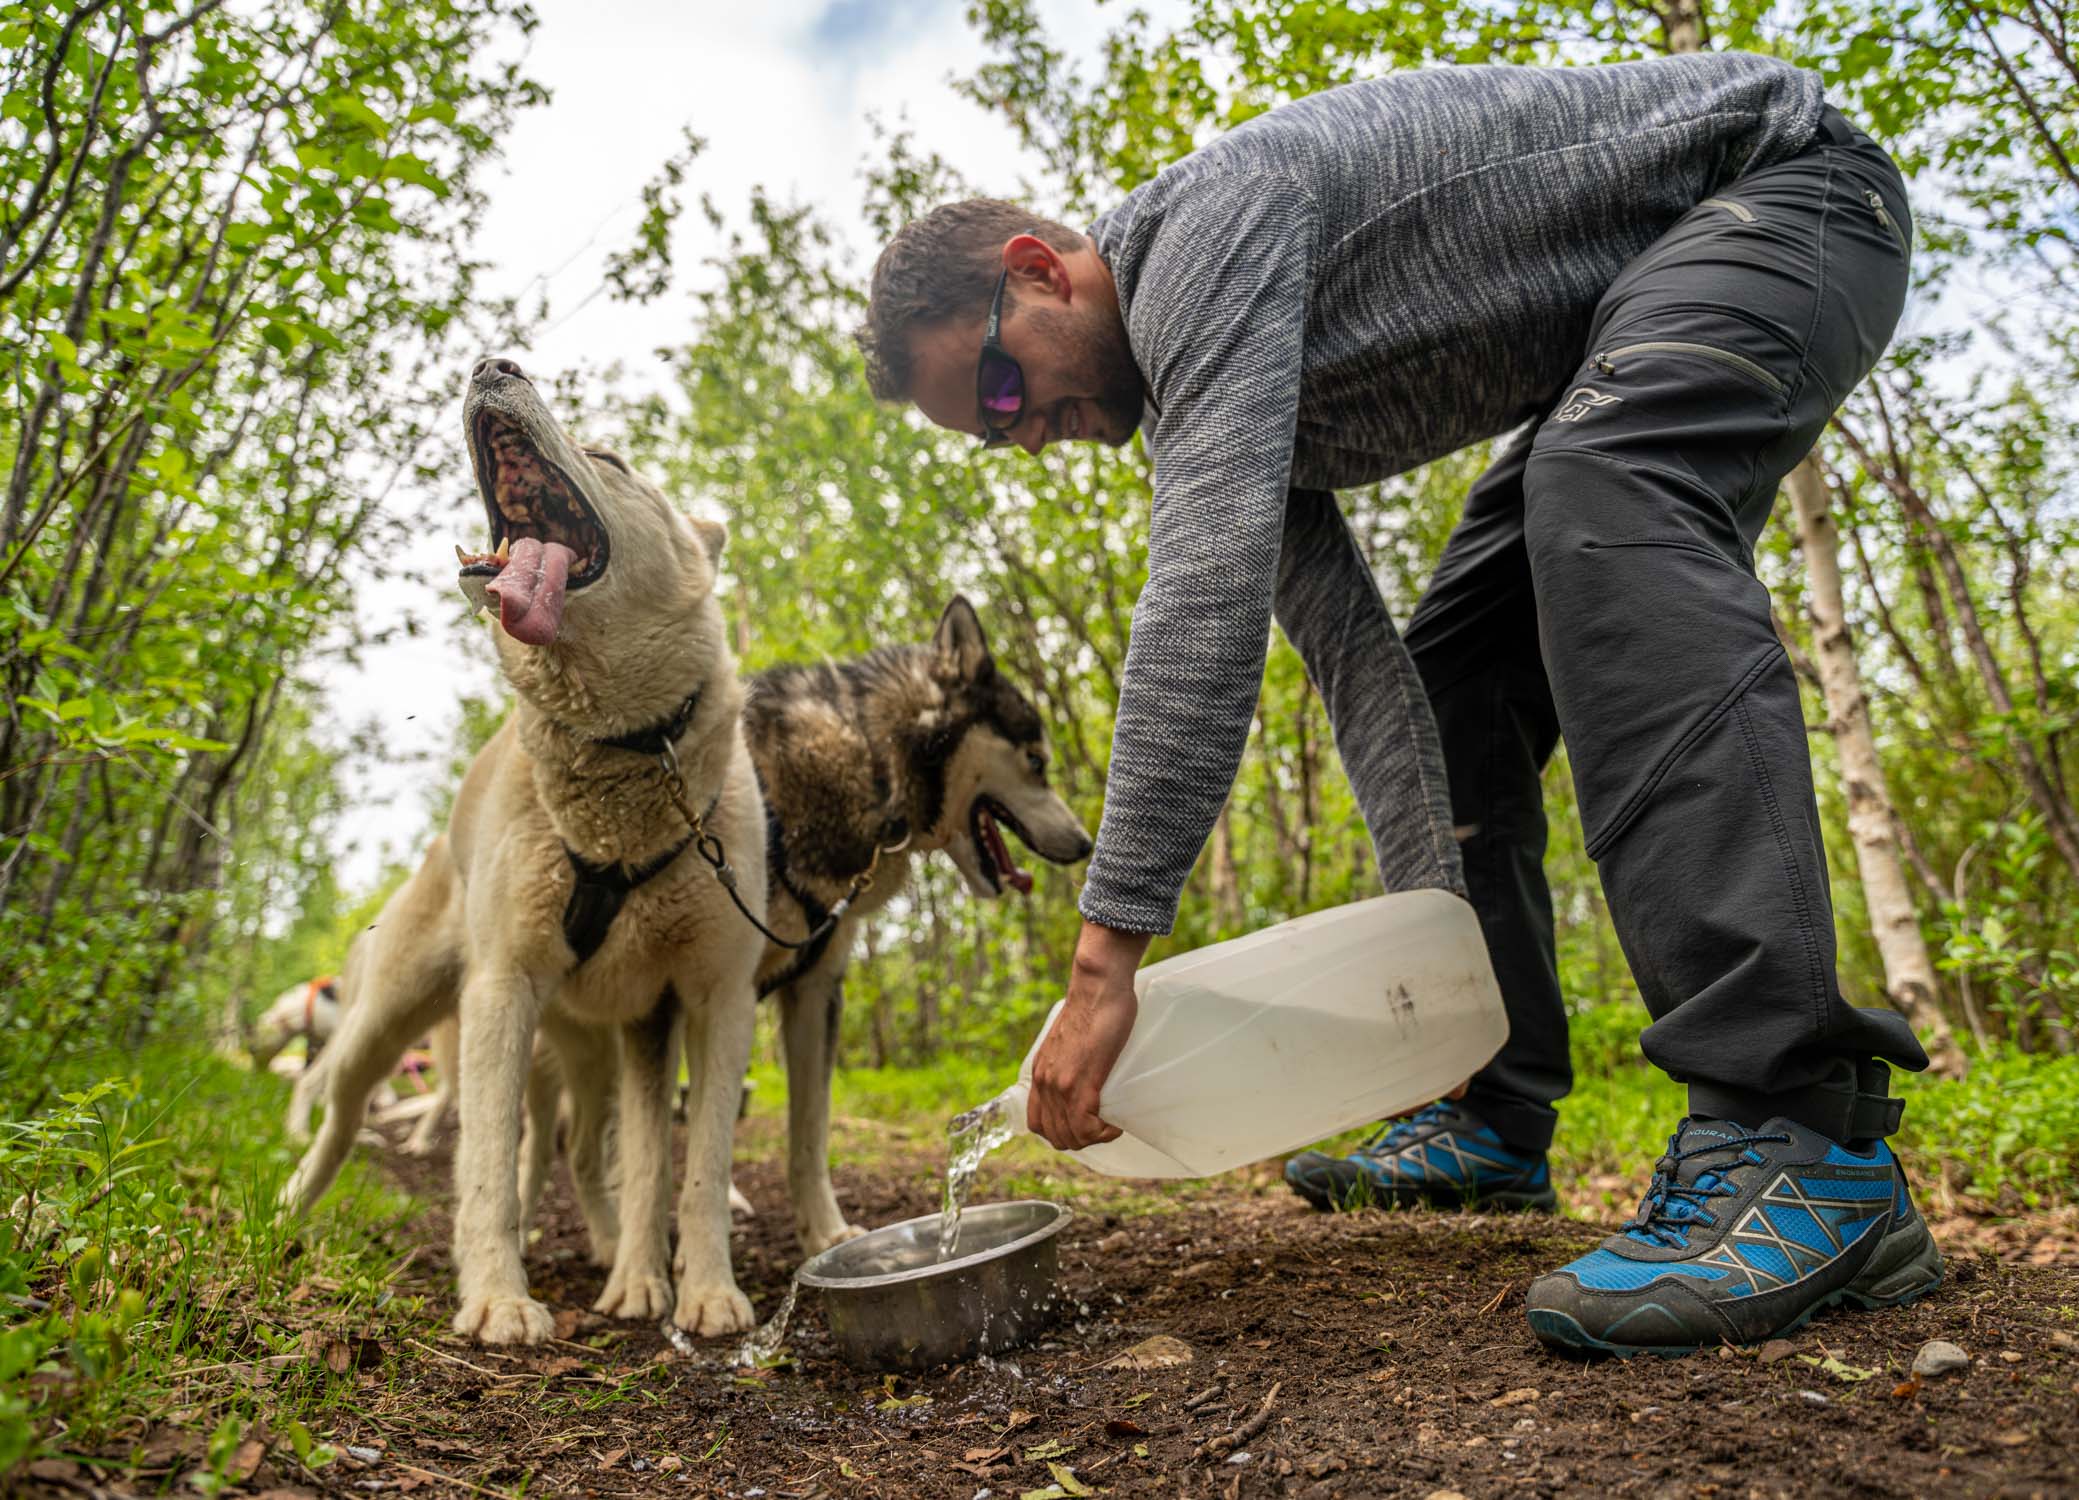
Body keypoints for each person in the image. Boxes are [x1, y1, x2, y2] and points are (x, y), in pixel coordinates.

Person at [856, 52, 1944, 1355]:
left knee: (1605, 492)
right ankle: (1491, 1110)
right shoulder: (1224, 391)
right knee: (1453, 677)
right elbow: (1356, 671)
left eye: (1000, 390)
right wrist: (1434, 979)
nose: (1025, 434)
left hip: (1790, 197)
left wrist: (1105, 966)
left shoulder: (1204, 235)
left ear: (1038, 268)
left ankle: (1801, 1131)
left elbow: (1197, 611)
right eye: (996, 436)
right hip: (1627, 318)